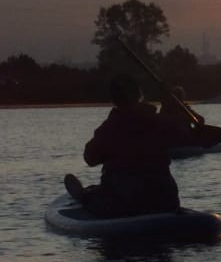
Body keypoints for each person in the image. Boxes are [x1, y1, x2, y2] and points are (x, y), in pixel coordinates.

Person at [64, 74, 186, 217]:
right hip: (164, 198)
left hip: (124, 202)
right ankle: (90, 193)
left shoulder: (110, 128)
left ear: (114, 99)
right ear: (139, 95)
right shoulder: (160, 122)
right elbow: (182, 134)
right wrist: (171, 105)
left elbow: (90, 157)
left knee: (94, 197)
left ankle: (84, 196)